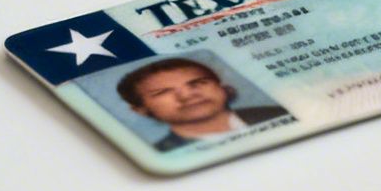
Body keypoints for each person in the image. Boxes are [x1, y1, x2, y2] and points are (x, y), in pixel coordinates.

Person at [114, 58, 289, 152]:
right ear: (141, 109)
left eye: (197, 83)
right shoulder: (162, 154)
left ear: (222, 88)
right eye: (163, 92)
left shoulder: (281, 113)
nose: (188, 95)